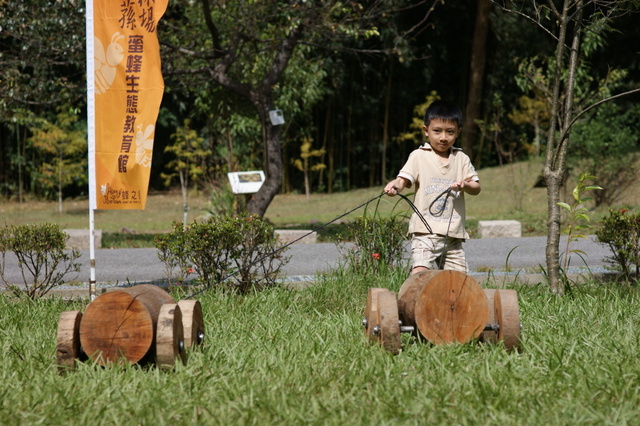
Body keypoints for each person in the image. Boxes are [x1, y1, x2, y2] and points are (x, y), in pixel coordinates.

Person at [384, 100, 480, 274]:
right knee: (420, 274)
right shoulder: (419, 156)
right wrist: (394, 186)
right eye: (437, 131)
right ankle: (413, 300)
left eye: (450, 132)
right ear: (426, 130)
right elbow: (403, 180)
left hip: (453, 235)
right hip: (424, 232)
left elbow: (476, 187)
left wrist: (465, 184)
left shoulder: (461, 158)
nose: (443, 137)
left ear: (458, 132)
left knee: (460, 282)